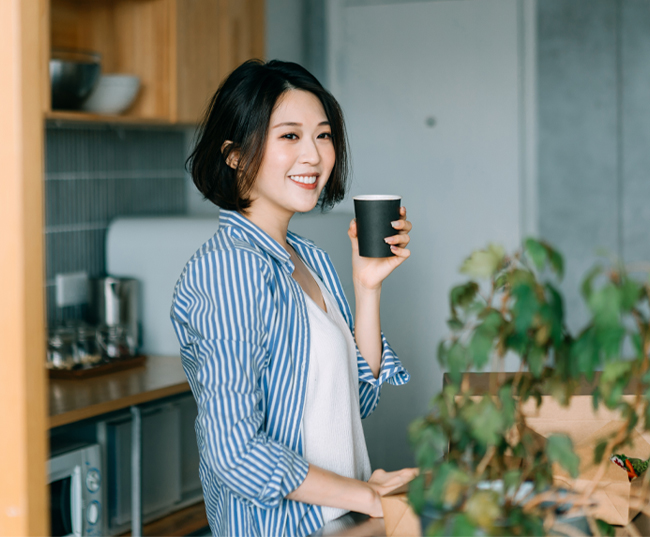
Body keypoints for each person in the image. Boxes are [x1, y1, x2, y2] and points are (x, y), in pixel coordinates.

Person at [170, 59, 415, 537]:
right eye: (289, 136)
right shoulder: (228, 271)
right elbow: (234, 451)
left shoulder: (310, 259)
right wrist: (367, 496)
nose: (314, 155)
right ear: (235, 155)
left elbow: (356, 401)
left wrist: (368, 288)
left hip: (343, 522)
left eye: (322, 136)